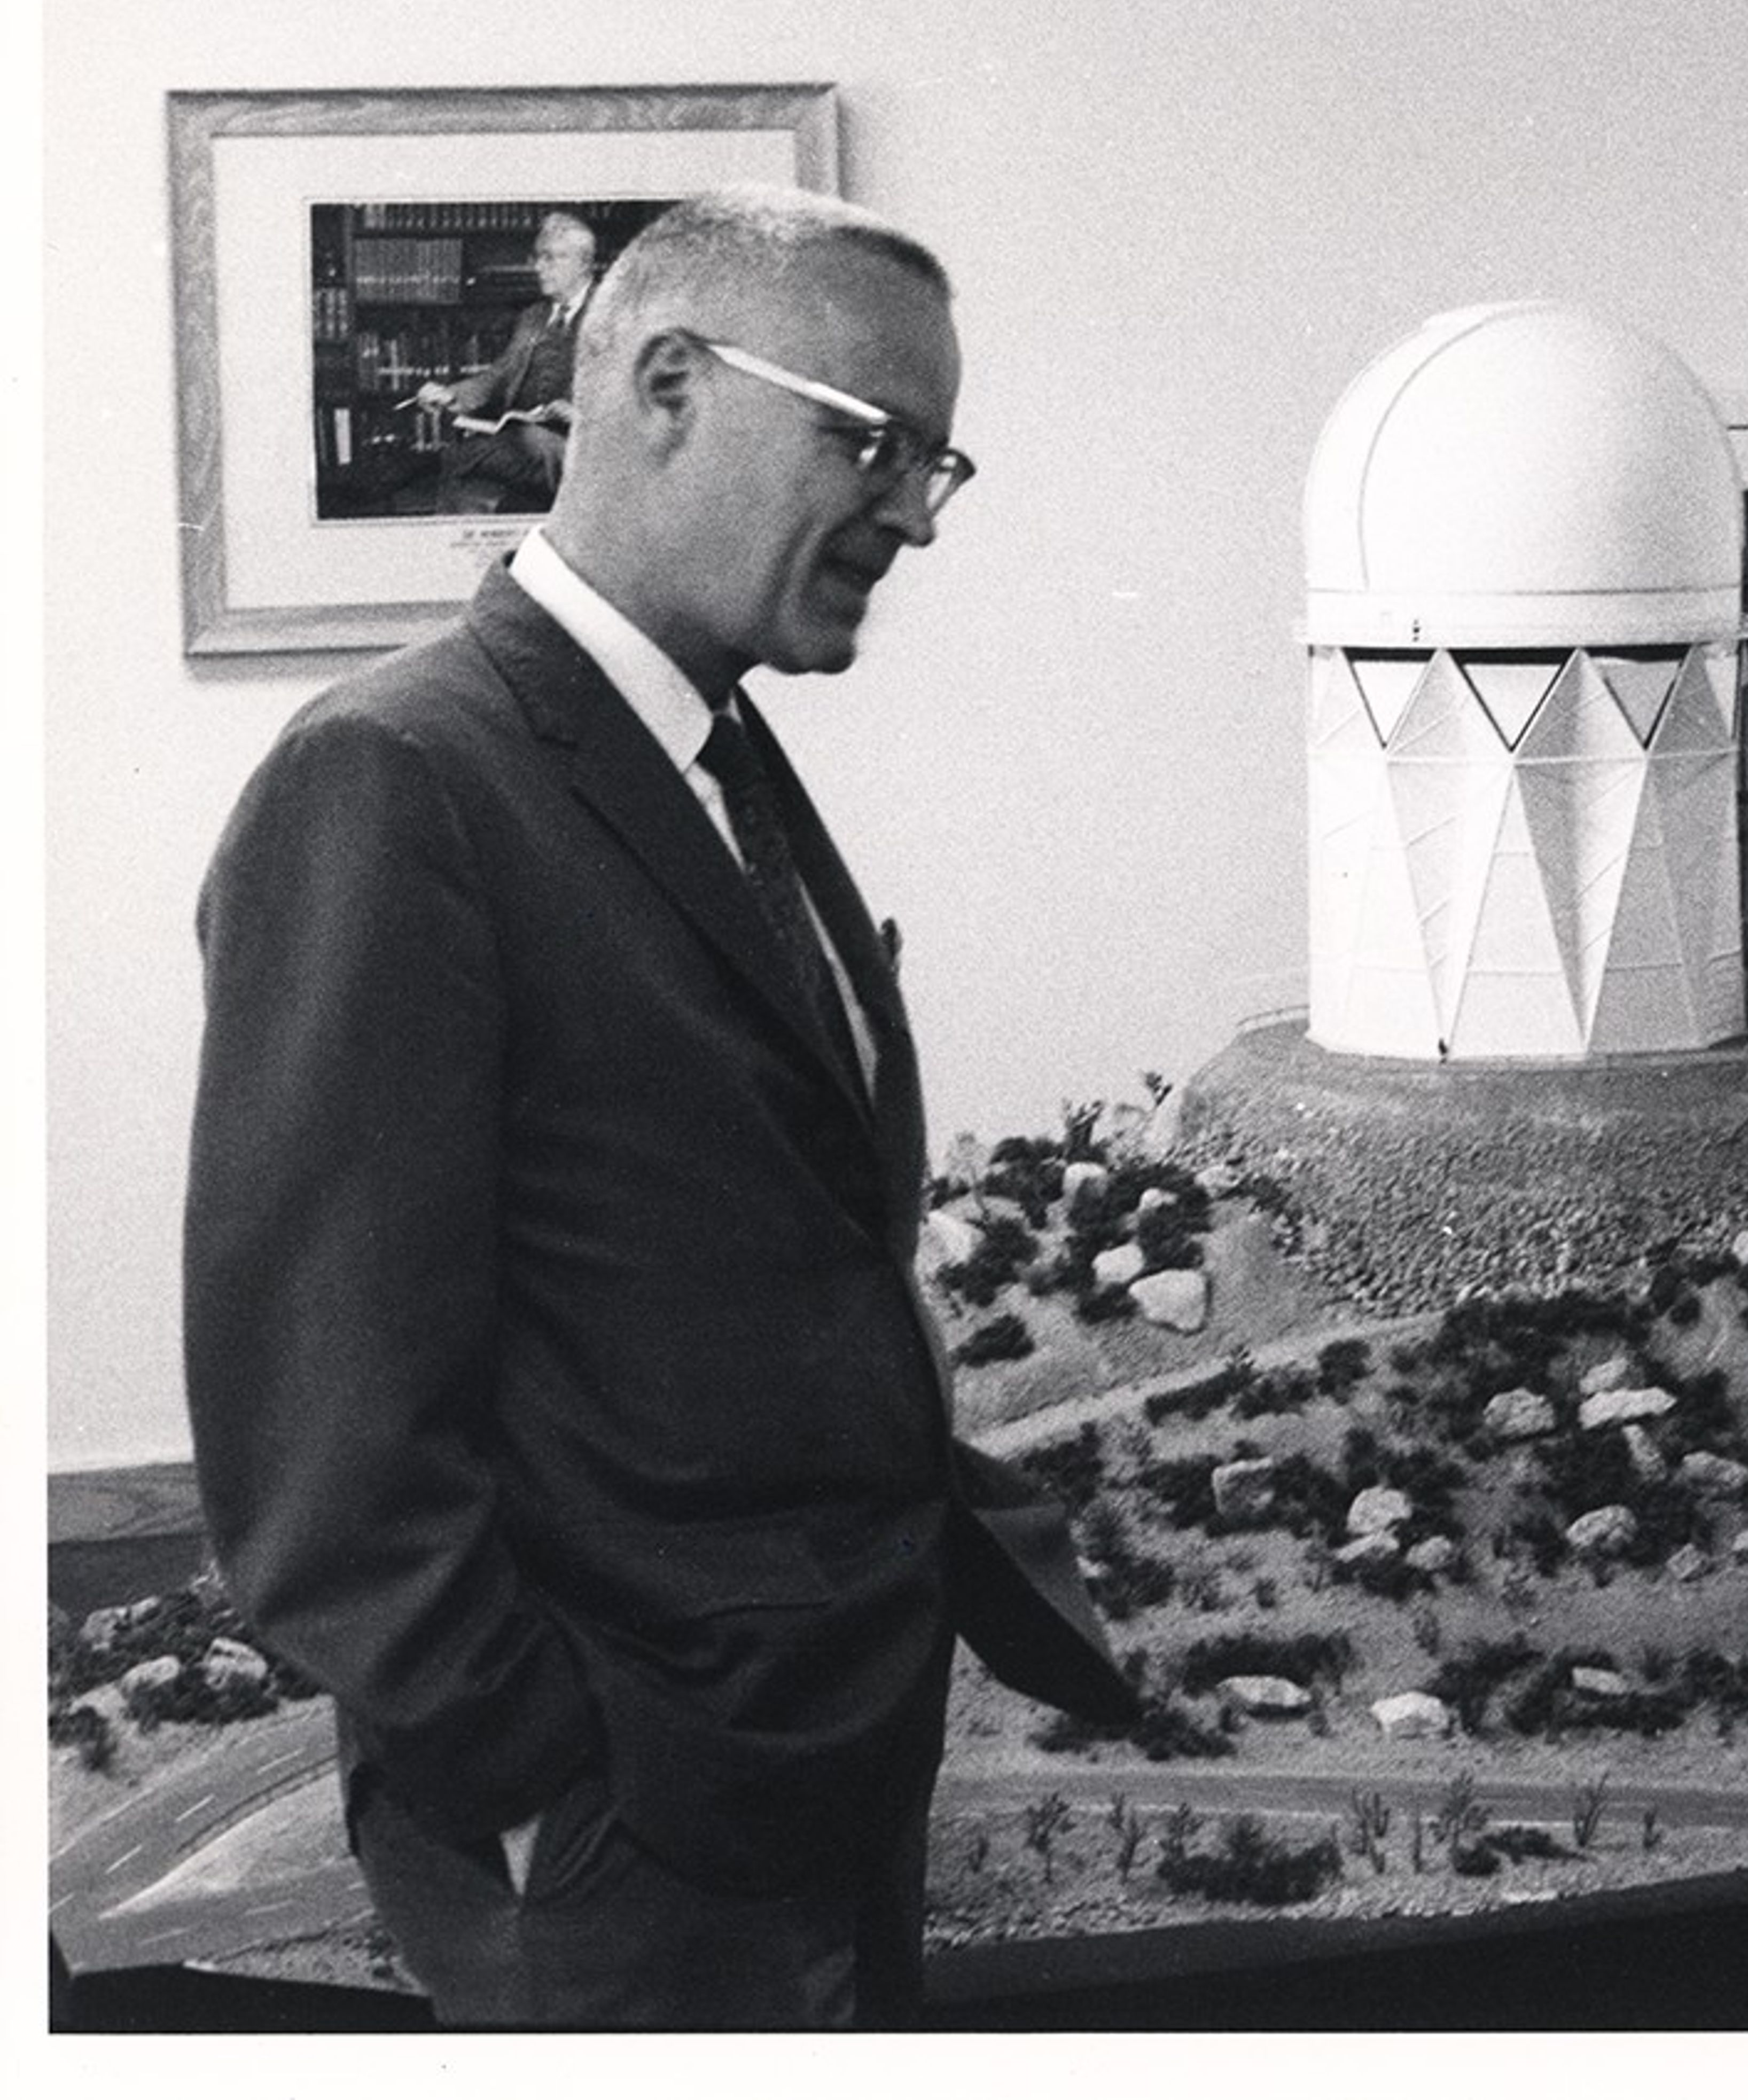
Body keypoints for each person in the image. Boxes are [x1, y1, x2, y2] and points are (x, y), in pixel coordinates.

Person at [184, 183, 1136, 2029]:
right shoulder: (395, 775)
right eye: (872, 443)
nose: (916, 517)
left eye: (938, 464)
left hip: (809, 1762)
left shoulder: (715, 755)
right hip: (626, 1831)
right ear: (671, 384)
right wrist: (547, 1786)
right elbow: (323, 1438)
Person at [411, 210, 596, 514]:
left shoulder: (615, 317)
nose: (539, 267)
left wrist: (582, 415)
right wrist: (451, 395)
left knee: (471, 456)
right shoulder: (533, 317)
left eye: (551, 258)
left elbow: (636, 397)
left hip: (582, 442)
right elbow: (499, 375)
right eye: (538, 257)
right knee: (481, 458)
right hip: (524, 437)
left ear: (584, 263)